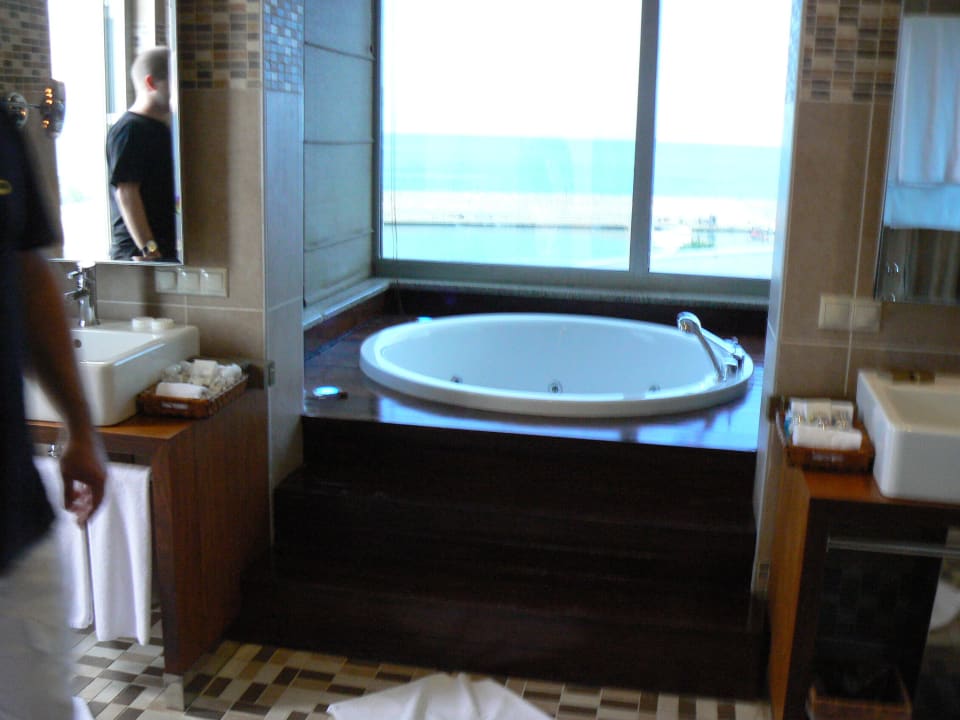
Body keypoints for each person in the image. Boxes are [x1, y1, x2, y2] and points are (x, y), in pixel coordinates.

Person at [1, 111, 108, 717]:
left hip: (13, 519)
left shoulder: (1, 128)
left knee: (42, 704)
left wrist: (81, 429)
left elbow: (28, 274)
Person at [106, 46, 177, 261]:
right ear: (151, 83)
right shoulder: (130, 130)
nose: (178, 91)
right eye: (174, 83)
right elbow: (126, 193)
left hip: (159, 252)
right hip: (138, 256)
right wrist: (149, 248)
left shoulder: (161, 129)